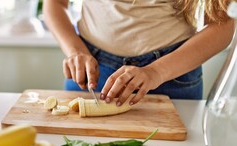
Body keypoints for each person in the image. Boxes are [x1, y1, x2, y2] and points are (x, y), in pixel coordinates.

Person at [43, 0, 234, 106]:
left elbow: (223, 25)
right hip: (92, 69)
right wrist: (75, 51)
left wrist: (156, 72)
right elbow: (55, 3)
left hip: (172, 74)